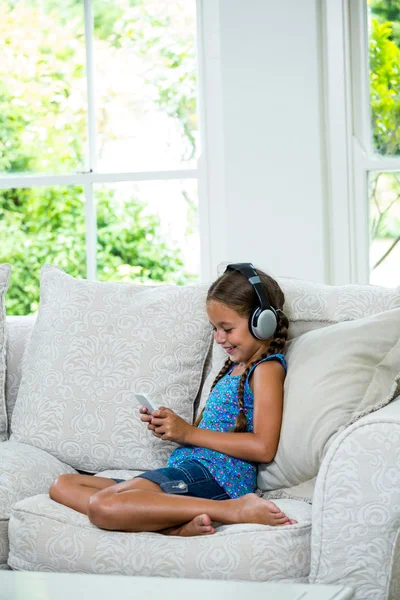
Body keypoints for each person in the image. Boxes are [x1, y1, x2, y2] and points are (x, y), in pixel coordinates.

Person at [50, 263, 297, 536]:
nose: (219, 338)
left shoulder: (266, 368)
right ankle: (174, 526)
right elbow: (212, 434)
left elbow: (263, 447)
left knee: (101, 506)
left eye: (227, 328)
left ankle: (233, 510)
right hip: (188, 471)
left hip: (213, 477)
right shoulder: (234, 368)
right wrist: (174, 430)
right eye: (215, 328)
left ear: (262, 323)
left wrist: (189, 432)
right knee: (63, 484)